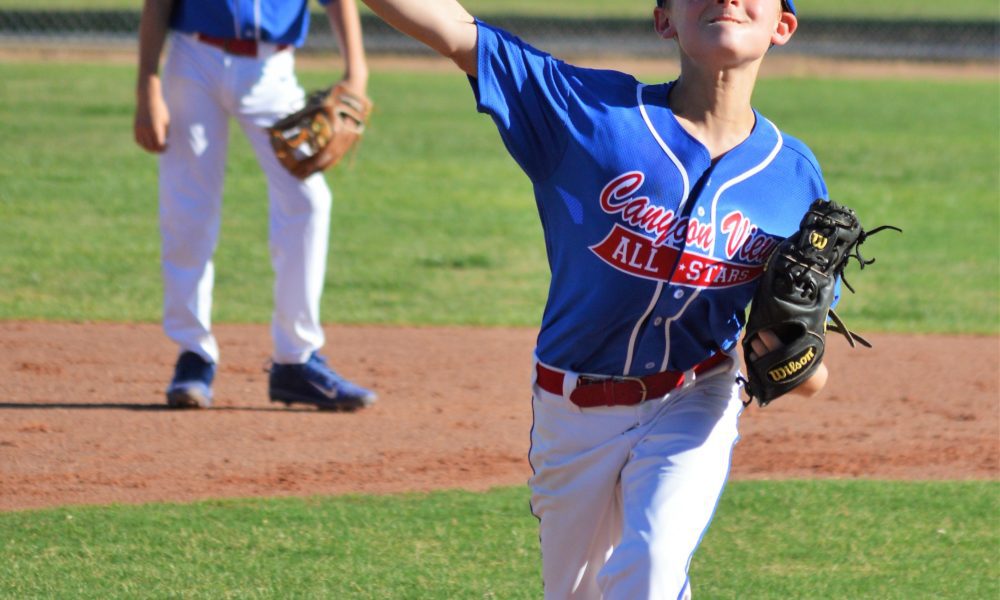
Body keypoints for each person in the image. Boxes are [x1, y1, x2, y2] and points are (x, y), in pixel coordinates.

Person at [359, 0, 827, 597]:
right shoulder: (590, 115)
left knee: (653, 564)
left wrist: (795, 359)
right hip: (572, 408)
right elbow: (455, 30)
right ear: (665, 20)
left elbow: (808, 368)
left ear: (782, 25)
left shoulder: (793, 177)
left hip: (696, 396)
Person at [133, 0, 377, 411]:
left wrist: (357, 70)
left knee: (308, 201)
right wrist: (147, 86)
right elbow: (159, 4)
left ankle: (295, 360)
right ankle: (194, 354)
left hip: (272, 71)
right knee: (187, 207)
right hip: (194, 59)